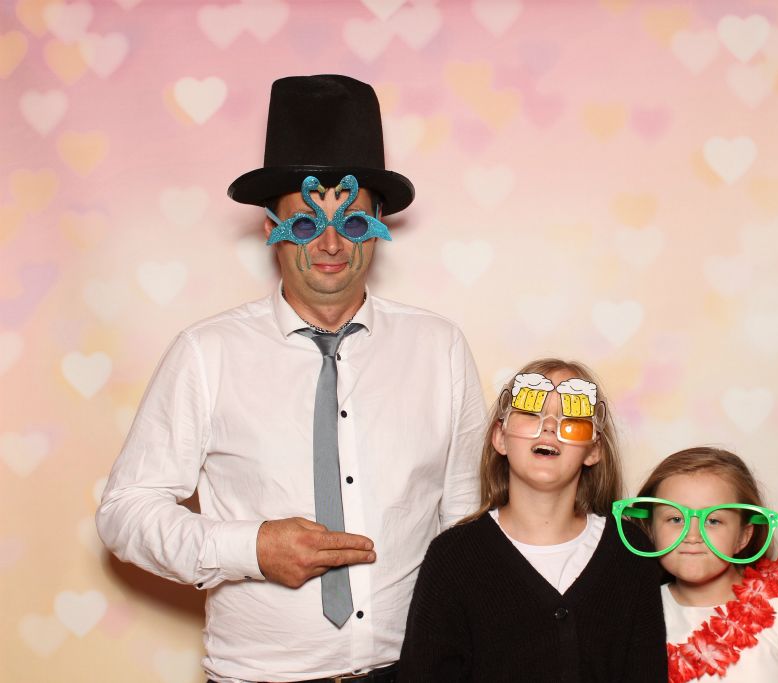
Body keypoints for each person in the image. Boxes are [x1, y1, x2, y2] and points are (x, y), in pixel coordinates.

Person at [95, 75, 486, 683]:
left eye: (352, 223)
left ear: (379, 222)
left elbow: (466, 524)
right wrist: (249, 548)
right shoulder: (206, 353)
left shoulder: (441, 349)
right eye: (304, 224)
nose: (330, 243)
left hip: (413, 669)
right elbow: (124, 511)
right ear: (269, 227)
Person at [399, 358, 668, 682]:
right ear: (500, 437)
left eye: (572, 416)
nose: (550, 425)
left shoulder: (631, 551)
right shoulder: (452, 558)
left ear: (593, 449)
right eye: (530, 412)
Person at [612, 446, 778, 683]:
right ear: (651, 530)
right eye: (676, 519)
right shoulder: (636, 610)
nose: (692, 536)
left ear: (743, 536)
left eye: (713, 521)